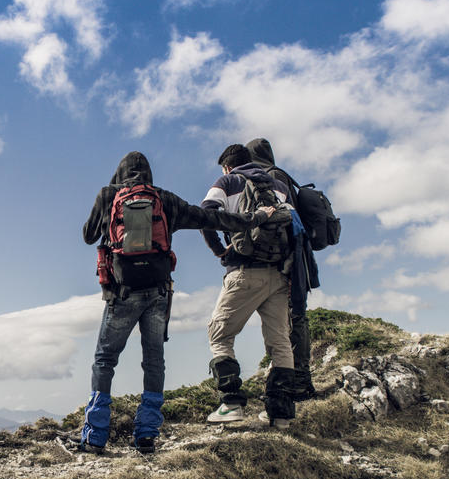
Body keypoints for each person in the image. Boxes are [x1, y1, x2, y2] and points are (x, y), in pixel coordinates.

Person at [80, 151, 274, 454]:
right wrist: (256, 219)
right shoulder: (164, 199)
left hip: (121, 292)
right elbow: (211, 217)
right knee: (154, 361)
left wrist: (109, 202)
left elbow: (88, 236)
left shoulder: (109, 195)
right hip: (157, 293)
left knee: (105, 359)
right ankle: (146, 435)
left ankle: (94, 435)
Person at [201, 144, 296, 428]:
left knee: (219, 334)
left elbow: (206, 214)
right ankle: (280, 414)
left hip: (244, 271)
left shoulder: (227, 182)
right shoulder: (278, 185)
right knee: (280, 341)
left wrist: (220, 250)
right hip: (279, 274)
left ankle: (231, 404)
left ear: (228, 166)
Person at [246, 137, 320, 401]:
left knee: (292, 317)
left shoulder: (270, 177)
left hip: (289, 260)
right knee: (291, 316)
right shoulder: (281, 175)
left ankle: (298, 381)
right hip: (296, 256)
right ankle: (296, 379)